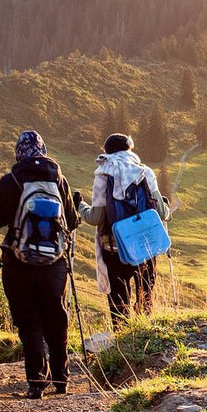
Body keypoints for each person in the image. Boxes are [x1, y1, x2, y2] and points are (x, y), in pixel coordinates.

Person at [0, 130, 80, 399]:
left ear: (19, 152)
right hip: (54, 265)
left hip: (18, 265)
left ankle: (36, 383)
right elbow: (73, 221)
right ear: (43, 149)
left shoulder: (11, 181)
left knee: (29, 322)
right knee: (57, 318)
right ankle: (62, 379)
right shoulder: (59, 179)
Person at [77, 133, 170, 330]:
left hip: (114, 249)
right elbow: (160, 213)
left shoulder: (103, 174)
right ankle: (145, 340)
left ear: (107, 152)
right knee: (145, 300)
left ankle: (122, 344)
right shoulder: (145, 172)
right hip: (145, 248)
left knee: (119, 304)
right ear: (130, 150)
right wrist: (166, 207)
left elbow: (95, 218)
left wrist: (80, 206)